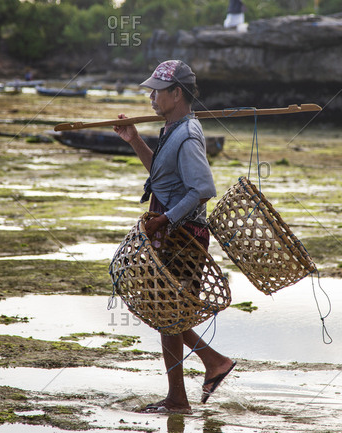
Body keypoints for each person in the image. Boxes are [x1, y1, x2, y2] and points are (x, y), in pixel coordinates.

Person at [113, 60, 236, 414]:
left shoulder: (188, 134)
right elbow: (163, 177)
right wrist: (134, 139)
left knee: (168, 314)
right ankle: (209, 368)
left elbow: (203, 188)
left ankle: (181, 396)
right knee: (166, 312)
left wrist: (165, 218)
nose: (151, 96)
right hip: (171, 234)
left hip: (184, 237)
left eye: (157, 90)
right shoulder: (172, 129)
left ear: (177, 93)